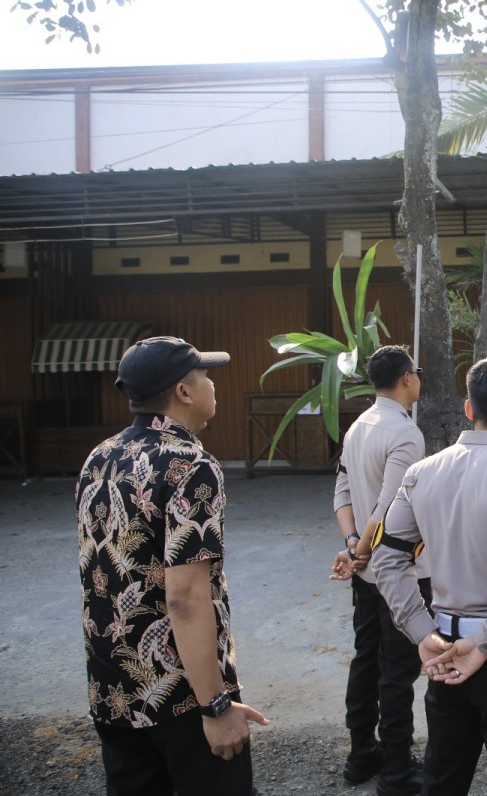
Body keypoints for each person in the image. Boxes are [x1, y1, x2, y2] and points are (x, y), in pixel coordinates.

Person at [77, 336, 267, 795]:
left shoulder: (100, 457)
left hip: (112, 690)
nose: (212, 385)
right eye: (205, 376)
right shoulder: (189, 465)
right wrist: (216, 706)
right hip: (180, 698)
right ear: (184, 392)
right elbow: (184, 598)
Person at [371, 355, 487, 796]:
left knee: (443, 780)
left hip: (444, 651)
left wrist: (420, 632)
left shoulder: (421, 474)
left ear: (469, 409)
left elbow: (387, 560)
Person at [329, 346, 427, 795]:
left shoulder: (359, 425)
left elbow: (343, 490)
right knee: (397, 667)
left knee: (366, 657)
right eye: (417, 373)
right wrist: (362, 549)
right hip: (396, 566)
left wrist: (352, 545)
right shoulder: (405, 434)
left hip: (366, 567)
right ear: (407, 378)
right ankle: (396, 766)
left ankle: (359, 753)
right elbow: (390, 505)